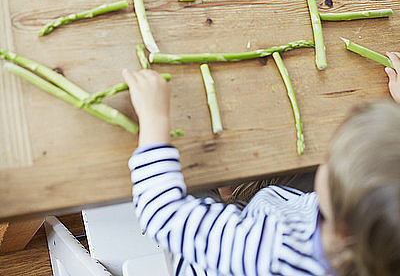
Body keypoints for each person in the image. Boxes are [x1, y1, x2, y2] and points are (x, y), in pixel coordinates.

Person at [123, 50, 400, 276]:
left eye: (330, 159)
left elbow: (163, 213)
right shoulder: (382, 241)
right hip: (277, 210)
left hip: (207, 252)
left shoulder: (275, 250)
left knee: (186, 167)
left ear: (342, 228)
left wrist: (154, 118)